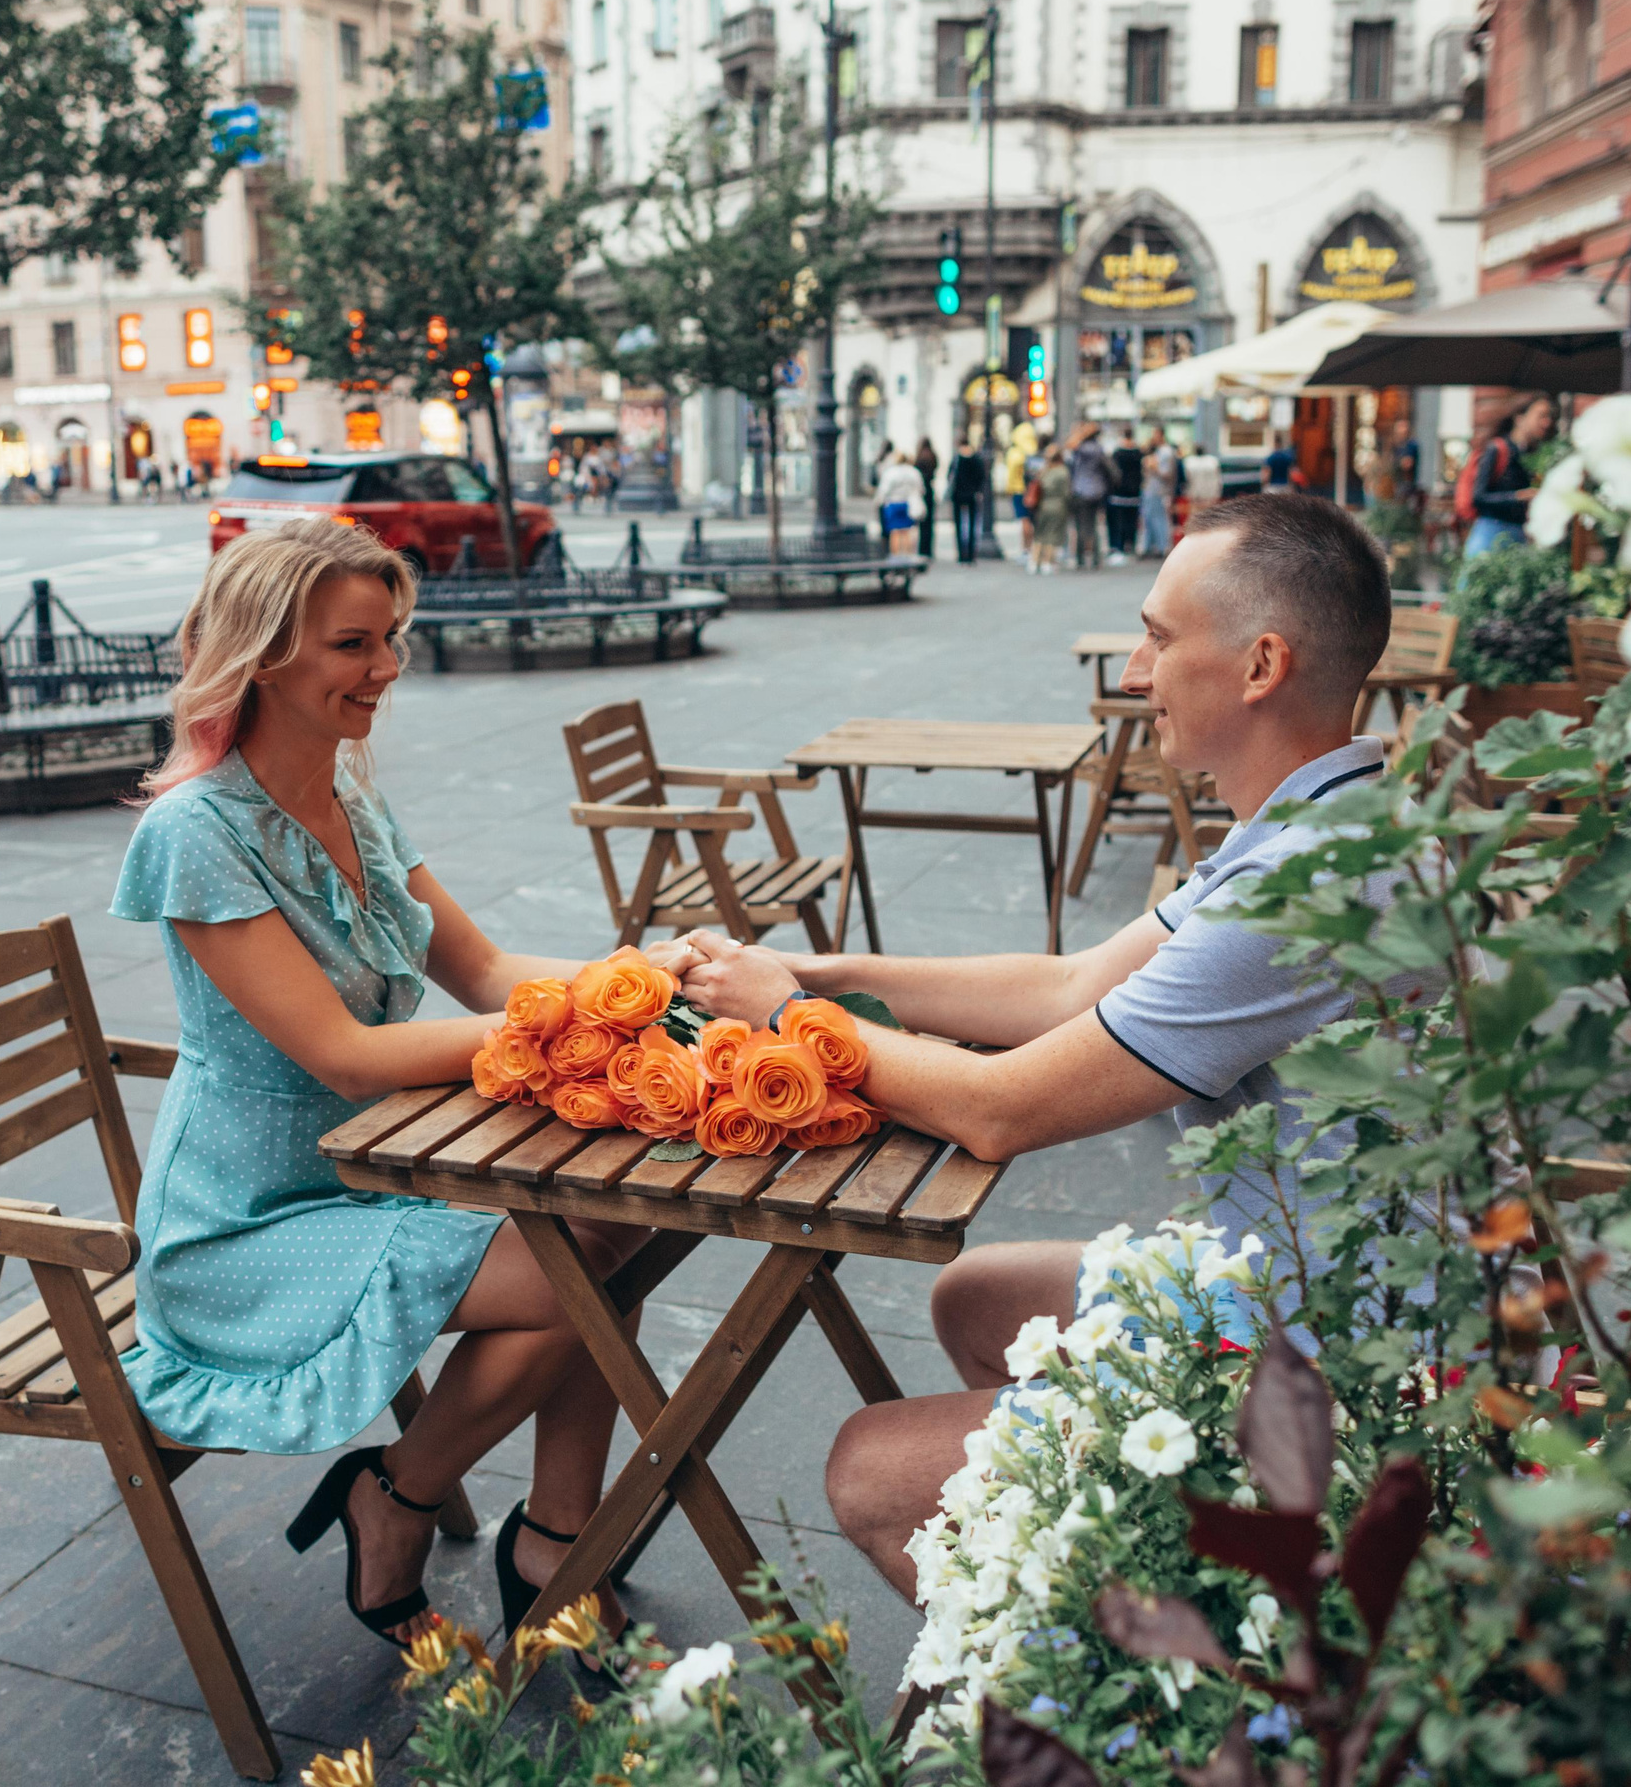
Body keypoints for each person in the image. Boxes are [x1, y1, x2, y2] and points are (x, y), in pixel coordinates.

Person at [668, 492, 1408, 1601]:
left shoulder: (1304, 888)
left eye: (1158, 640)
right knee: (975, 1297)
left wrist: (784, 1019)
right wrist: (823, 975)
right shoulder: (1321, 819)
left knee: (869, 1470)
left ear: (1259, 665)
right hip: (1287, 1283)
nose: (1133, 674)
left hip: (1344, 1367)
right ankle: (1085, 1594)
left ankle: (1128, 1695)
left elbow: (999, 1108)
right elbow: (1069, 984)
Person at [111, 520, 656, 1655]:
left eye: (392, 638)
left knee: (616, 1230)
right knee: (577, 1277)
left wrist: (643, 978)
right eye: (354, 645)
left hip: (376, 1172)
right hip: (243, 1226)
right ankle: (399, 1500)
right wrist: (567, 1022)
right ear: (261, 655)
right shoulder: (194, 832)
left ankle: (558, 1535)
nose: (388, 670)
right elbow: (345, 1056)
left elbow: (488, 972)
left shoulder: (351, 799)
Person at [1462, 397, 1554, 558]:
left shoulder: (1535, 455)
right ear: (1520, 418)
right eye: (1541, 415)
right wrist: (1519, 497)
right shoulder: (1497, 449)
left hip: (1519, 537)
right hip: (1490, 534)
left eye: (1550, 417)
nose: (1547, 422)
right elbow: (1478, 497)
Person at [1067, 423, 1111, 570]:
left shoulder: (1082, 448)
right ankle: (1096, 559)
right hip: (1097, 490)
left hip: (1081, 491)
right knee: (1093, 525)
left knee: (1081, 526)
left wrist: (1080, 433)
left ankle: (1080, 559)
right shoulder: (1099, 449)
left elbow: (1070, 444)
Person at [949, 433, 991, 564]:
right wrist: (978, 490)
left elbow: (950, 476)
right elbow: (981, 476)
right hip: (972, 494)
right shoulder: (976, 458)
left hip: (958, 494)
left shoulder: (957, 458)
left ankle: (962, 554)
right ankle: (972, 554)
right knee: (973, 524)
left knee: (959, 525)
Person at [1028, 434, 1067, 574]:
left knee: (1039, 534)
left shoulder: (1043, 471)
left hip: (1042, 505)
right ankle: (1047, 562)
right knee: (1052, 535)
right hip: (1057, 505)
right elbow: (1066, 492)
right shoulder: (1062, 472)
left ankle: (1034, 561)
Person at [875, 445, 924, 556]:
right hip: (907, 503)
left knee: (895, 532)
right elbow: (920, 488)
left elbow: (884, 490)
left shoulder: (890, 473)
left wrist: (879, 501)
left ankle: (896, 557)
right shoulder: (913, 472)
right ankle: (907, 556)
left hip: (893, 504)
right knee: (906, 531)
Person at [1139, 426, 1179, 559]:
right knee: (1149, 518)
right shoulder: (1158, 452)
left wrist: (1153, 467)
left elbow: (1167, 473)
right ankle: (1151, 546)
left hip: (1159, 491)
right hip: (1151, 490)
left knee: (1159, 519)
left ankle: (1163, 547)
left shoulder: (1166, 452)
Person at [1107, 427, 1143, 565]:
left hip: (1119, 493)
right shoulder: (1138, 453)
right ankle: (1130, 546)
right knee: (1132, 520)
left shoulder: (1117, 453)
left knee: (1119, 520)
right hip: (1134, 493)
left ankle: (1119, 547)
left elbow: (1113, 472)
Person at [913, 437, 941, 561]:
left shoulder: (919, 458)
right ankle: (929, 550)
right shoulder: (932, 456)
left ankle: (922, 549)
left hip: (921, 491)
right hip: (929, 490)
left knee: (922, 522)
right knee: (930, 522)